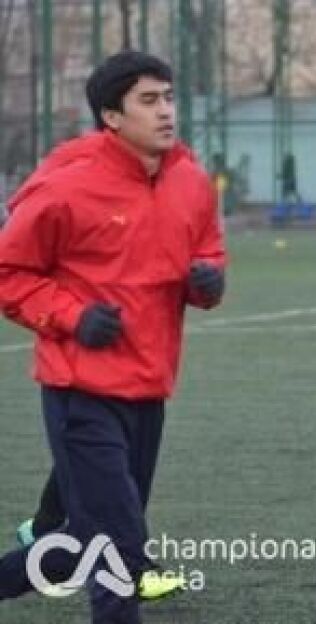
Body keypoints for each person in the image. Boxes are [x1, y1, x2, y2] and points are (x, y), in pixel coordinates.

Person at [0, 49, 226, 623]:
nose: (166, 111)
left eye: (168, 97)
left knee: (85, 544)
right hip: (80, 392)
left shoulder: (191, 182)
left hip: (149, 388)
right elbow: (9, 273)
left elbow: (208, 254)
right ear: (112, 116)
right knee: (120, 549)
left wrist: (207, 281)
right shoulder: (66, 188)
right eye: (148, 101)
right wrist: (72, 316)